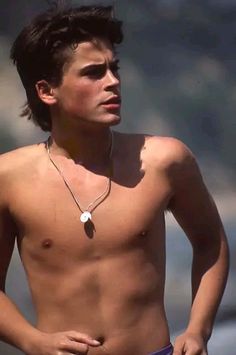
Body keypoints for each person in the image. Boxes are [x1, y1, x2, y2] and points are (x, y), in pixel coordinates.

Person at [0, 3, 229, 355]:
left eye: (114, 68)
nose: (114, 82)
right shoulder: (9, 178)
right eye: (94, 73)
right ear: (47, 91)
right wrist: (32, 340)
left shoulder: (164, 160)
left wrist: (198, 330)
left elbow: (211, 243)